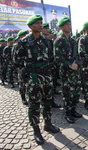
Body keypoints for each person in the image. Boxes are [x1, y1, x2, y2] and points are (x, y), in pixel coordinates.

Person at [13, 15, 60, 145]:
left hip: (47, 76)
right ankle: (36, 130)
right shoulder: (23, 42)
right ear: (30, 26)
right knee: (34, 105)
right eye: (37, 23)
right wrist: (26, 75)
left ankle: (48, 123)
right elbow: (16, 62)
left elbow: (51, 58)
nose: (40, 25)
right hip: (33, 78)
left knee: (48, 101)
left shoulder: (48, 42)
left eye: (41, 22)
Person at [54, 17, 82, 124]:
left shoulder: (73, 41)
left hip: (75, 71)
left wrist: (77, 63)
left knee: (76, 92)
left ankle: (73, 110)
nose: (69, 26)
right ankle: (67, 113)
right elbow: (57, 58)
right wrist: (69, 65)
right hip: (66, 72)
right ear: (61, 27)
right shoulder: (59, 41)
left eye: (70, 24)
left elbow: (78, 55)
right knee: (68, 94)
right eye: (67, 25)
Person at [42, 22, 61, 108]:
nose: (47, 30)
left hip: (50, 68)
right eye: (45, 28)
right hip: (40, 69)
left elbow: (53, 55)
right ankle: (43, 104)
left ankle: (52, 102)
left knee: (51, 85)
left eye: (47, 28)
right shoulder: (38, 41)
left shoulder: (50, 41)